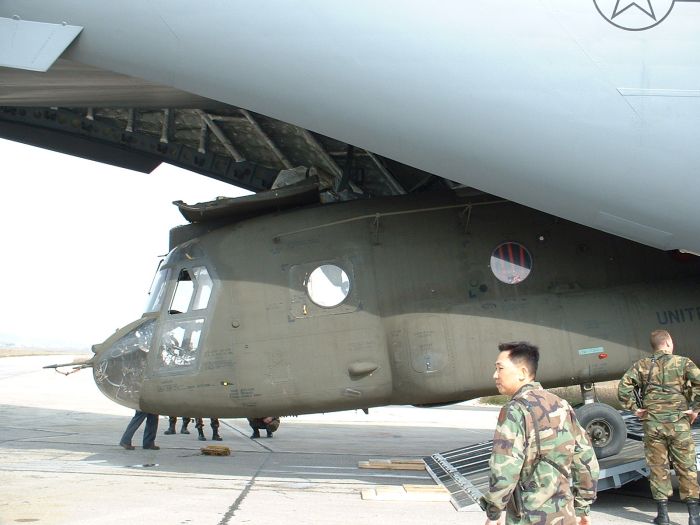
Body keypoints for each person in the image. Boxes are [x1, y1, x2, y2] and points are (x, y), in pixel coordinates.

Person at [481, 342, 599, 525]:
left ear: (521, 373)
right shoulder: (562, 405)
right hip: (564, 515)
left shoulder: (514, 410)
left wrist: (493, 512)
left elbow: (505, 469)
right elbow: (586, 459)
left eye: (500, 368)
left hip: (528, 516)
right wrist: (582, 507)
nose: (495, 375)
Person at [617, 329, 700, 525]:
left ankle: (663, 515)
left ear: (653, 346)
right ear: (669, 343)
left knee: (657, 468)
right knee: (686, 467)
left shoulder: (642, 365)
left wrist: (636, 409)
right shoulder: (683, 363)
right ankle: (694, 516)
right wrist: (695, 408)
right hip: (678, 424)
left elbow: (623, 388)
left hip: (653, 424)